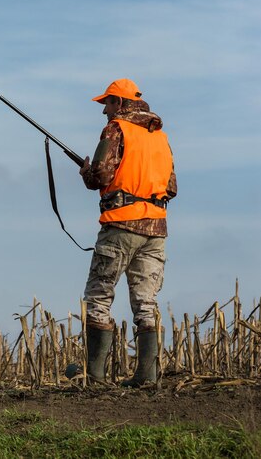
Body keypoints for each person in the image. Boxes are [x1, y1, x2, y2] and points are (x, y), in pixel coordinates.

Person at [79, 78, 177, 386]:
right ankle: (146, 377)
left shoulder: (116, 129)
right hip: (156, 228)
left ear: (119, 103)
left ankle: (94, 377)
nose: (104, 111)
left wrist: (87, 171)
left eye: (106, 103)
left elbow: (100, 176)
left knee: (98, 296)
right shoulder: (160, 137)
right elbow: (171, 187)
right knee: (145, 302)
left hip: (121, 224)